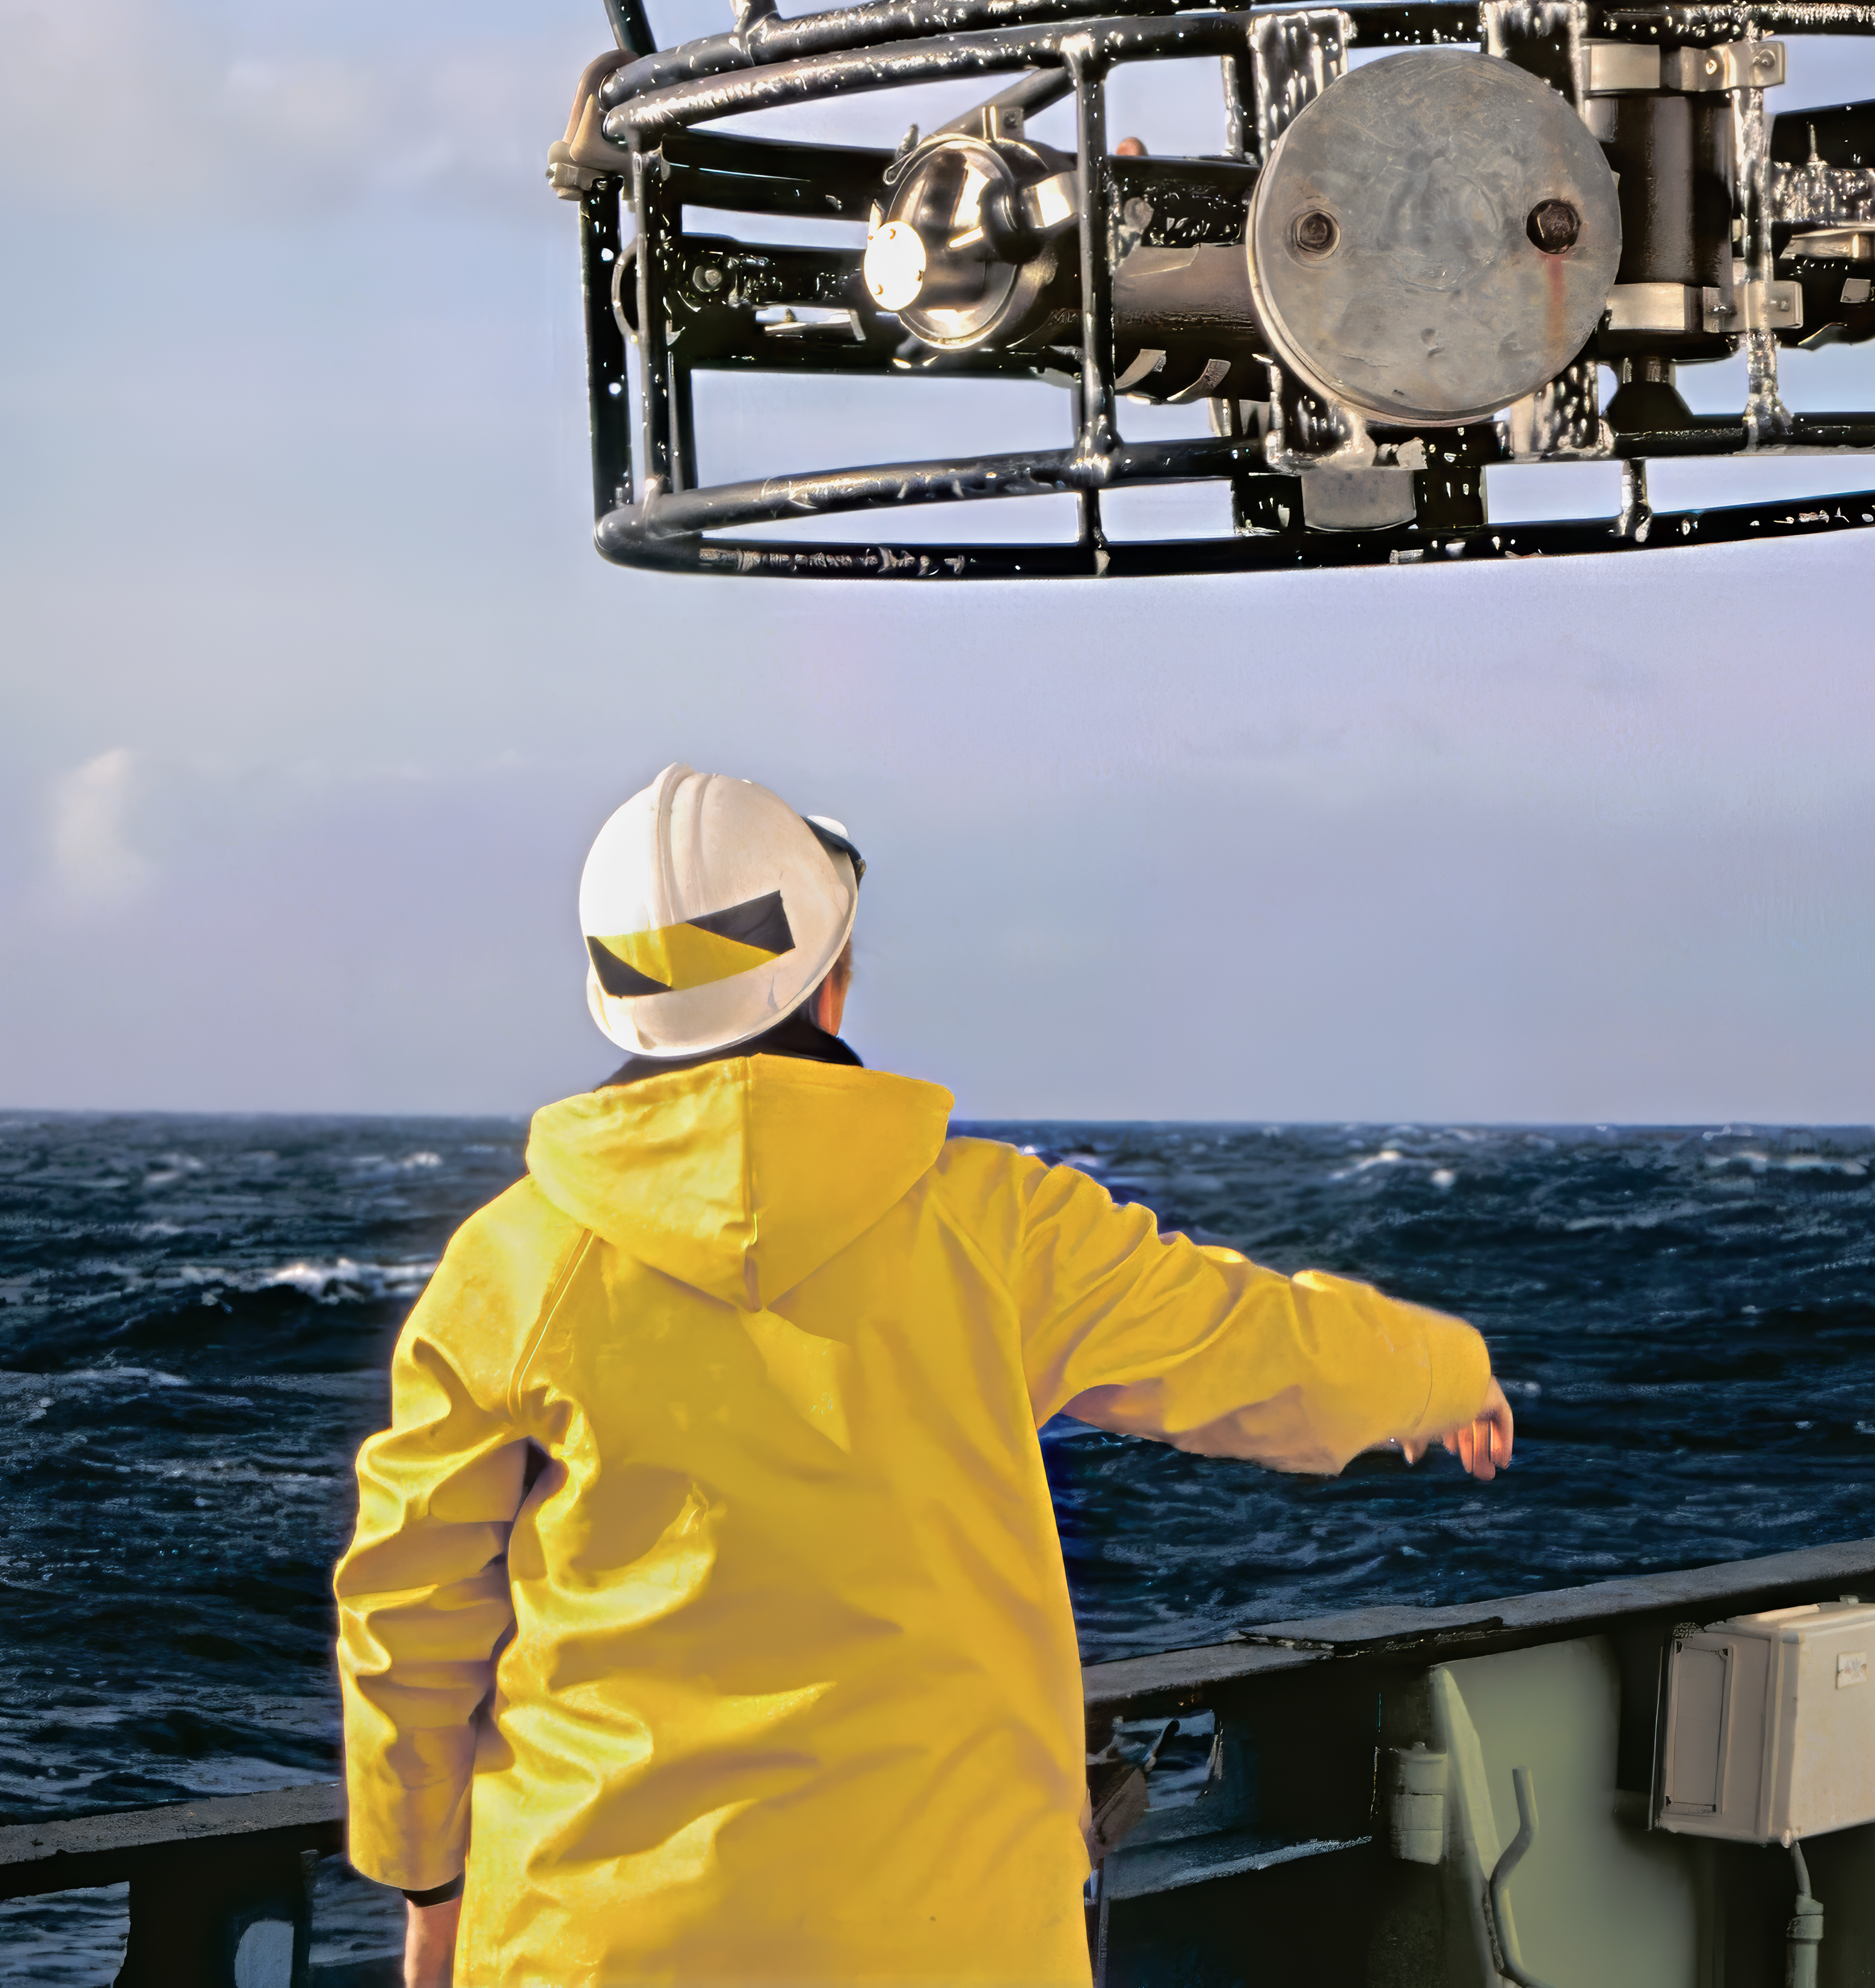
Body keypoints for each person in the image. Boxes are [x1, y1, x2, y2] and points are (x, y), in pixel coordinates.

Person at [336, 765, 1513, 1986]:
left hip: (597, 1947)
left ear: (616, 1002)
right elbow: (1265, 1353)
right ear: (831, 980)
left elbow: (407, 1611)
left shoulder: (512, 1265)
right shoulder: (1001, 1227)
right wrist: (1443, 1376)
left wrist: (431, 1882)